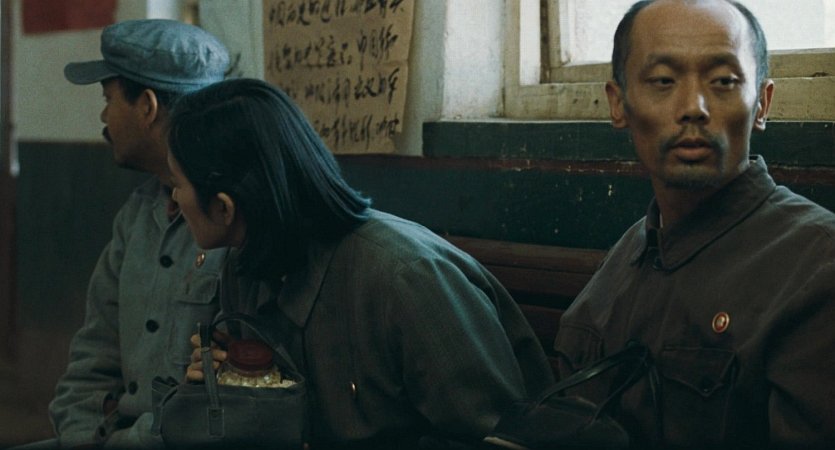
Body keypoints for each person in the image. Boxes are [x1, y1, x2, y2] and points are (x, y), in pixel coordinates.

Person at [165, 77, 555, 448]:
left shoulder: (406, 278)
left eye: (177, 184)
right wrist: (227, 387)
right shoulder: (244, 266)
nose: (174, 199)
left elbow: (496, 437)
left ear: (224, 207)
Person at [554, 0, 835, 448]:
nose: (693, 107)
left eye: (723, 81)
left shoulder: (817, 266)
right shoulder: (627, 256)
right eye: (663, 81)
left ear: (762, 104)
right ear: (618, 103)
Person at [48, 20, 230, 448]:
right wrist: (83, 436)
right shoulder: (136, 217)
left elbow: (226, 399)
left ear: (146, 106)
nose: (103, 116)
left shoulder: (232, 222)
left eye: (108, 99)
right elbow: (91, 360)